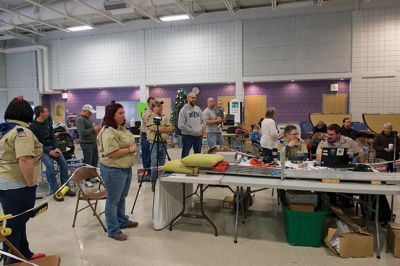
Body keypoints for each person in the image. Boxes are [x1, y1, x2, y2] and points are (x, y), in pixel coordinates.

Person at [0, 97, 45, 263]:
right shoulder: (22, 132)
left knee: (18, 222)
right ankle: (10, 261)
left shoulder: (4, 129)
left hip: (5, 183)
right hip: (17, 184)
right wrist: (30, 181)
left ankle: (24, 253)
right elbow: (25, 159)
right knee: (14, 226)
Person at [97, 103, 138, 241]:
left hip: (125, 168)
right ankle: (113, 229)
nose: (123, 115)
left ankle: (122, 220)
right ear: (112, 115)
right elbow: (112, 153)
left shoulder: (120, 129)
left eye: (123, 113)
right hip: (113, 170)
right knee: (113, 200)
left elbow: (130, 140)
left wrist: (130, 148)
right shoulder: (108, 131)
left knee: (122, 197)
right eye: (120, 113)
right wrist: (130, 150)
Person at [29, 106, 75, 199]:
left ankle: (65, 188)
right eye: (46, 111)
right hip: (42, 150)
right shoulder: (32, 127)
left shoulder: (48, 124)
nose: (48, 113)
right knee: (50, 166)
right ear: (41, 113)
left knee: (64, 163)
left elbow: (53, 137)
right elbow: (37, 143)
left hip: (53, 148)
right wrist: (49, 151)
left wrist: (56, 148)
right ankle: (56, 191)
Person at [316, 124, 365, 207]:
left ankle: (346, 201)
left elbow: (361, 153)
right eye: (328, 134)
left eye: (331, 134)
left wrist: (362, 166)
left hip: (345, 171)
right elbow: (318, 157)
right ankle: (332, 203)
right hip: (329, 172)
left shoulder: (348, 141)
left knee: (346, 196)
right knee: (328, 190)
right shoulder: (323, 142)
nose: (329, 136)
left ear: (339, 134)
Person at [147, 100, 173, 191]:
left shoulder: (164, 117)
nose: (160, 108)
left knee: (162, 163)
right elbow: (154, 128)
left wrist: (162, 128)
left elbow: (170, 128)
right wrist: (164, 128)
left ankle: (161, 181)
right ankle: (153, 182)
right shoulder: (150, 117)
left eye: (161, 106)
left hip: (164, 143)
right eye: (158, 106)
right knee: (154, 163)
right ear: (153, 108)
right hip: (154, 143)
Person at [76, 104, 100, 187]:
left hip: (93, 142)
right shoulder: (80, 119)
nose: (91, 114)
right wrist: (93, 129)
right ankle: (86, 180)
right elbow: (82, 132)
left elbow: (91, 129)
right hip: (86, 143)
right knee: (88, 162)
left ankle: (92, 177)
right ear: (85, 111)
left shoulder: (88, 119)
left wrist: (96, 128)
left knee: (94, 161)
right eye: (89, 113)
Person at [178, 92, 205, 158]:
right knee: (185, 154)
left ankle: (197, 167)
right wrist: (192, 130)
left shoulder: (198, 109)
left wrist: (200, 129)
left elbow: (203, 121)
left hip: (198, 136)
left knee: (198, 155)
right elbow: (180, 125)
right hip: (187, 136)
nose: (194, 99)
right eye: (192, 98)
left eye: (195, 98)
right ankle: (183, 168)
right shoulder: (183, 110)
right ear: (188, 98)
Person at [140, 97, 155, 174]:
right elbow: (149, 124)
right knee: (146, 154)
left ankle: (152, 170)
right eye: (152, 103)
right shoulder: (145, 112)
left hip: (152, 135)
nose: (153, 104)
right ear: (148, 103)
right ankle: (148, 171)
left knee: (153, 154)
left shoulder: (155, 112)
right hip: (145, 135)